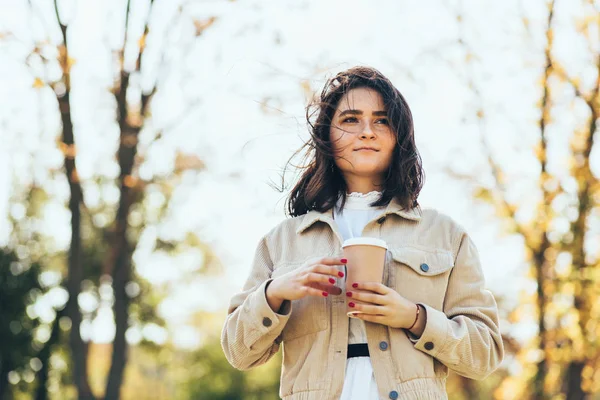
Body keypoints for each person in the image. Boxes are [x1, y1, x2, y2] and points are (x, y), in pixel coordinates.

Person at [221, 66, 504, 400]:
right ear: (327, 135)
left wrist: (414, 318)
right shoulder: (282, 241)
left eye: (382, 120)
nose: (367, 131)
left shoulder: (444, 235)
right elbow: (239, 353)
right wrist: (276, 293)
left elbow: (484, 355)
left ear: (399, 136)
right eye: (351, 119)